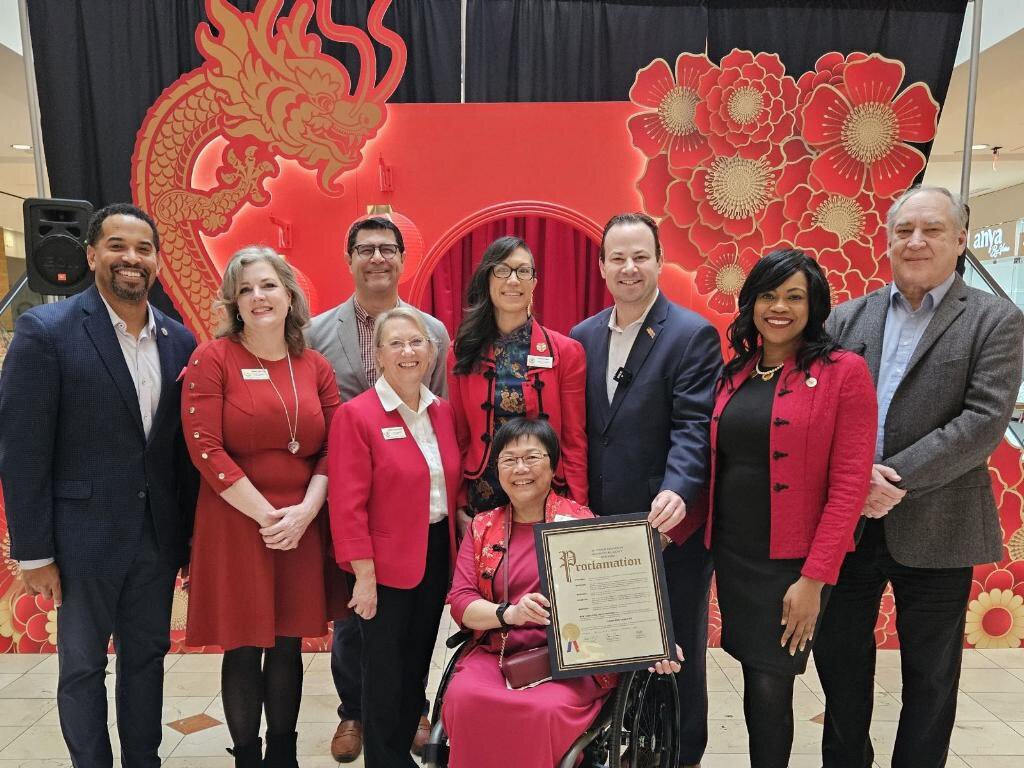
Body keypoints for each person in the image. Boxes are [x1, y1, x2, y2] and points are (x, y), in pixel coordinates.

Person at [814, 185, 1024, 768]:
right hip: (847, 527)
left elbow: (983, 422)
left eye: (931, 229)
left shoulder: (995, 321)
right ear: (887, 241)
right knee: (839, 663)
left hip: (940, 524)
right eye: (904, 230)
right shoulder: (845, 318)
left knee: (931, 677)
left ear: (960, 239)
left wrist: (893, 478)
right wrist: (855, 486)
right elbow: (814, 414)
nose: (916, 241)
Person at [0, 203, 198, 767]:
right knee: (83, 667)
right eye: (117, 246)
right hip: (80, 542)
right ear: (91, 255)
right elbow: (22, 451)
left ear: (156, 261)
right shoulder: (47, 331)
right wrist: (33, 550)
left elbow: (180, 455)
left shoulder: (180, 342)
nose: (130, 258)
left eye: (142, 248)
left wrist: (186, 541)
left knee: (147, 660)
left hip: (156, 541)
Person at [707, 250, 876, 767]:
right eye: (768, 295)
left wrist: (813, 580)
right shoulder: (736, 372)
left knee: (771, 683)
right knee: (756, 679)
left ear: (814, 305)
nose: (779, 307)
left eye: (794, 296)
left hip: (792, 566)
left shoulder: (843, 372)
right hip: (736, 557)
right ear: (751, 303)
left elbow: (849, 486)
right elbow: (722, 465)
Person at [181, 246, 346, 767]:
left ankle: (284, 754)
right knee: (244, 644)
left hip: (301, 521)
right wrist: (269, 516)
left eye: (268, 285)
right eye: (245, 289)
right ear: (232, 301)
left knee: (288, 642)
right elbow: (204, 446)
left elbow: (332, 448)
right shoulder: (213, 358)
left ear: (289, 294)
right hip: (236, 521)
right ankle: (248, 758)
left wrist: (304, 513)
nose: (258, 296)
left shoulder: (314, 365)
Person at [569, 212, 722, 767]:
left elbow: (694, 425)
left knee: (676, 655)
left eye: (640, 256)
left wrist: (679, 488)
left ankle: (682, 756)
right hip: (600, 531)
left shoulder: (691, 334)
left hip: (667, 530)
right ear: (603, 266)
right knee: (611, 651)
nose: (629, 268)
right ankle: (621, 749)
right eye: (618, 257)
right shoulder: (581, 337)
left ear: (659, 260)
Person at [442, 417, 682, 768]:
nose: (520, 469)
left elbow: (616, 594)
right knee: (464, 699)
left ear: (553, 465)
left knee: (543, 711)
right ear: (496, 469)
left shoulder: (580, 522)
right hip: (498, 651)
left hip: (572, 662)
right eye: (509, 459)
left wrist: (653, 641)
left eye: (532, 457)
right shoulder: (482, 526)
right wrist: (509, 613)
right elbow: (462, 601)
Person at [306, 215, 450, 761]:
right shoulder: (317, 332)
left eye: (387, 248)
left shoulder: (431, 332)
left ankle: (405, 708)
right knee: (355, 619)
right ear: (349, 259)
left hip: (416, 507)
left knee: (409, 633)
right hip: (349, 494)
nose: (376, 258)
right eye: (364, 249)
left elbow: (433, 421)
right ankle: (356, 713)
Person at [328, 307, 461, 768]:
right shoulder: (356, 416)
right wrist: (362, 577)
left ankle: (403, 750)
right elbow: (347, 506)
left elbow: (446, 487)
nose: (408, 351)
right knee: (382, 677)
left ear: (431, 350)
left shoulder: (441, 412)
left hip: (433, 556)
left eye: (416, 342)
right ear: (378, 356)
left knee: (414, 671)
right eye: (396, 344)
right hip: (381, 568)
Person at [449, 235, 588, 530]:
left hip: (548, 490)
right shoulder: (461, 352)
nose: (513, 280)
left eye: (523, 271)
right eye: (502, 270)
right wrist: (460, 502)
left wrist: (578, 505)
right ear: (488, 279)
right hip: (484, 490)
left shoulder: (566, 352)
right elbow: (460, 436)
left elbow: (574, 439)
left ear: (534, 282)